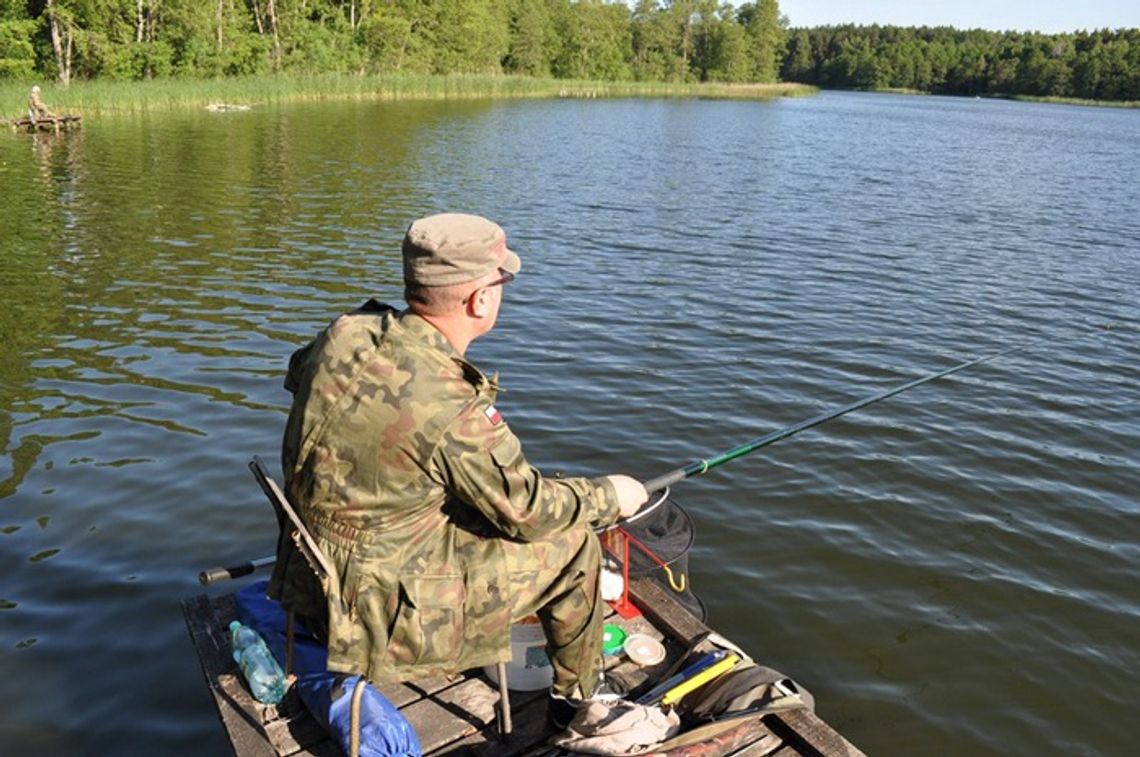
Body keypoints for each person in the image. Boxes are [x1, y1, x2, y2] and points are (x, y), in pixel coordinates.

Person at [268, 212, 647, 727]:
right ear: (479, 299)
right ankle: (576, 702)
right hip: (379, 605)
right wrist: (611, 494)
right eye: (500, 280)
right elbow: (529, 511)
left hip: (308, 567)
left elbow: (296, 375)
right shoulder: (452, 403)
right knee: (574, 544)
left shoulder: (347, 331)